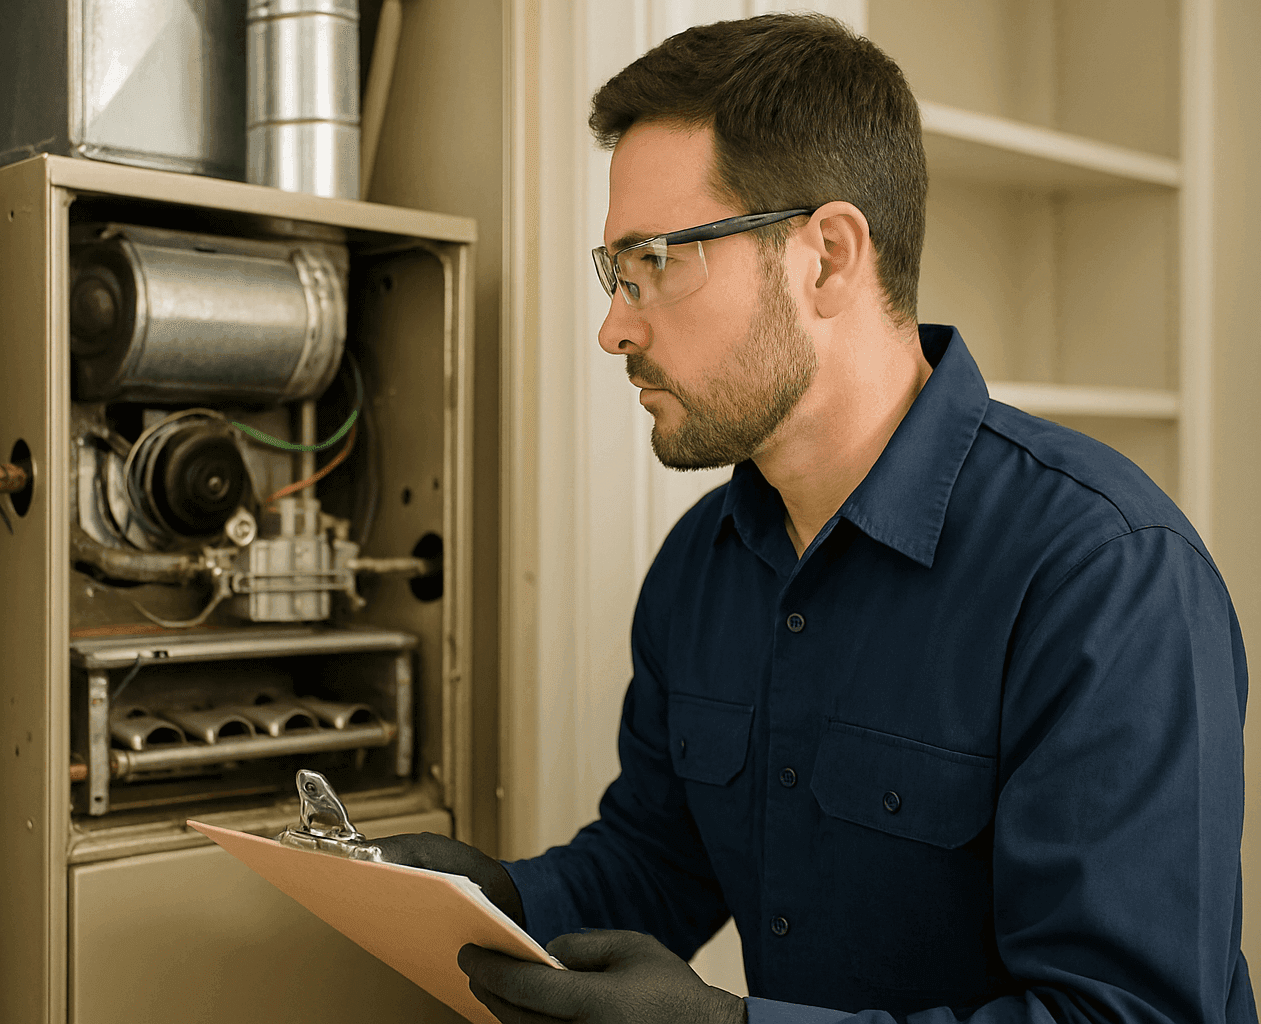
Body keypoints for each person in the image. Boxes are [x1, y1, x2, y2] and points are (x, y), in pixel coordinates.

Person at [376, 13, 1255, 1023]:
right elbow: (661, 858)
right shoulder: (700, 567)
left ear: (830, 257)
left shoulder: (1107, 572)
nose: (615, 324)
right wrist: (495, 895)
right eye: (613, 270)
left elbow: (1129, 1016)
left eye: (655, 258)